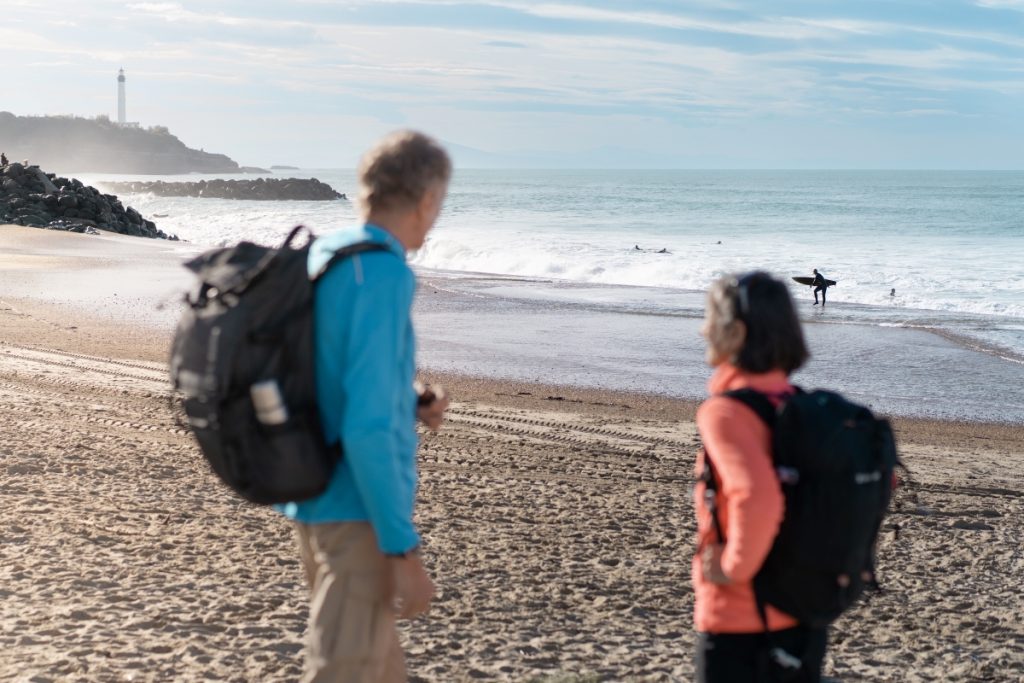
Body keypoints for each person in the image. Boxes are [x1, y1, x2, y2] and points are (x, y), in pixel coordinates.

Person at [277, 130, 452, 682]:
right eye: (439, 203)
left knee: (380, 671)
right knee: (343, 672)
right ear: (427, 199)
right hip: (356, 511)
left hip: (309, 490)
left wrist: (410, 400)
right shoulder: (383, 273)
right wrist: (404, 551)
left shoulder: (328, 254)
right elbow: (368, 426)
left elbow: (334, 369)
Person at [693, 271, 827, 682]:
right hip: (804, 614)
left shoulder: (727, 412)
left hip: (739, 622)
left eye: (710, 319)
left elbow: (758, 497)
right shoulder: (803, 408)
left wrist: (733, 568)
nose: (703, 330)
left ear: (735, 333)